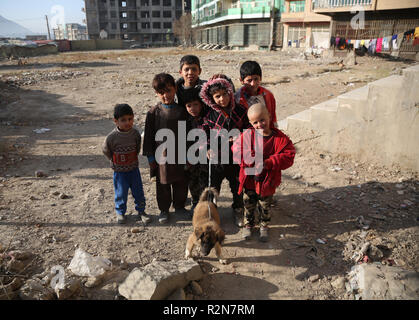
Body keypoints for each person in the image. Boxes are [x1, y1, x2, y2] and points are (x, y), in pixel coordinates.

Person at [232, 103, 295, 241]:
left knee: (265, 205)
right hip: (249, 179)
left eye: (262, 120)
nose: (259, 124)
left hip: (268, 180)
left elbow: (289, 155)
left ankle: (264, 225)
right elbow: (236, 150)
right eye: (255, 122)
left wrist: (269, 162)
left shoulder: (280, 138)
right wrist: (252, 158)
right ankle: (248, 225)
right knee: (248, 204)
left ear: (269, 117)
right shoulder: (247, 135)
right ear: (250, 123)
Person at [200, 74, 249, 227]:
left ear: (230, 91)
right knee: (213, 188)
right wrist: (208, 148)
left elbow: (249, 129)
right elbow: (204, 133)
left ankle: (238, 209)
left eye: (225, 94)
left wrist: (240, 137)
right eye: (217, 96)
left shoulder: (241, 111)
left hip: (236, 158)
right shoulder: (210, 115)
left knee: (237, 186)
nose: (222, 99)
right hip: (217, 158)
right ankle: (212, 214)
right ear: (211, 99)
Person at [142, 73, 189, 224]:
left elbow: (188, 134)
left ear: (175, 89)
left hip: (180, 154)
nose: (165, 95)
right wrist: (150, 157)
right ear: (156, 93)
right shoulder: (153, 113)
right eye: (161, 92)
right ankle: (164, 209)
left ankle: (180, 206)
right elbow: (148, 136)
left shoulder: (182, 111)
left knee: (181, 182)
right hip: (161, 155)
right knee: (163, 183)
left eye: (168, 90)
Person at [102, 104, 151, 225]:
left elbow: (137, 148)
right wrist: (114, 161)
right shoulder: (112, 137)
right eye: (123, 120)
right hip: (119, 172)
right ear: (116, 121)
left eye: (130, 119)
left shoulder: (135, 134)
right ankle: (120, 212)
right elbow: (106, 150)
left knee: (138, 191)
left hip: (134, 169)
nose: (127, 122)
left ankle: (141, 211)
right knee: (121, 193)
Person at [184, 87, 209, 213]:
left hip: (205, 158)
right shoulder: (185, 121)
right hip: (191, 158)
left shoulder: (207, 119)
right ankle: (195, 203)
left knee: (205, 182)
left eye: (195, 105)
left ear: (201, 104)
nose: (193, 108)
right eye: (189, 105)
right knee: (192, 182)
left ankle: (205, 206)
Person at [235, 60, 278, 128]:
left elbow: (272, 118)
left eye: (256, 79)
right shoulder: (237, 98)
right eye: (249, 80)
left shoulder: (268, 95)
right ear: (241, 81)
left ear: (260, 78)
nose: (253, 84)